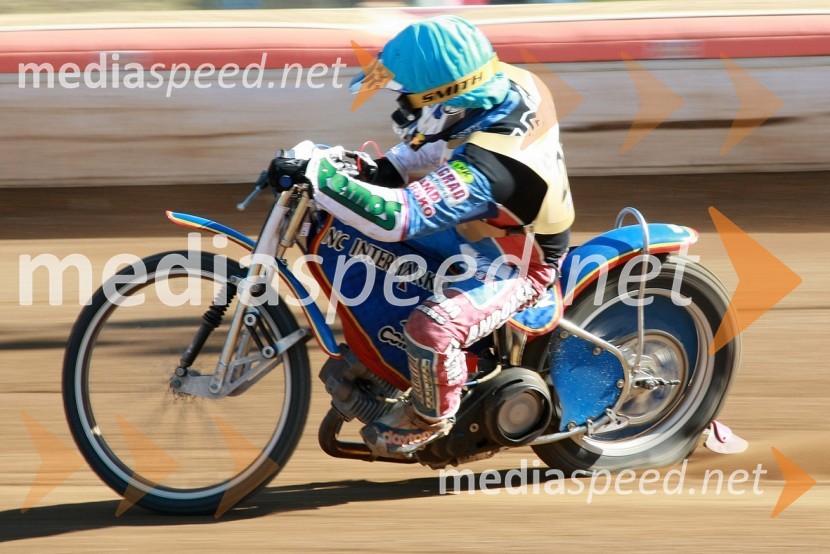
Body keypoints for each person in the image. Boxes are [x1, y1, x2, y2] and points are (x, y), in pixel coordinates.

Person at [268, 14, 571, 457]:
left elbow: (400, 216)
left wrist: (323, 178)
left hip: (518, 263)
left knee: (432, 326)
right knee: (355, 238)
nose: (399, 111)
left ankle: (432, 417)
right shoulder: (503, 82)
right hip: (485, 232)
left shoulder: (490, 168)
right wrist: (378, 167)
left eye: (406, 101)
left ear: (443, 100)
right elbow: (442, 140)